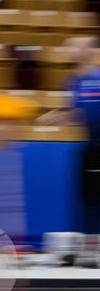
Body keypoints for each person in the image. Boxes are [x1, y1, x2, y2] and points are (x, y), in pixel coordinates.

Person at [37, 36, 100, 262]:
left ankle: (92, 251)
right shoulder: (72, 81)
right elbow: (78, 114)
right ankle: (85, 249)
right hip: (89, 147)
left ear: (88, 50)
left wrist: (63, 116)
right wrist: (59, 116)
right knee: (83, 199)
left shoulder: (97, 78)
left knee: (95, 201)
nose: (69, 51)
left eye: (74, 47)